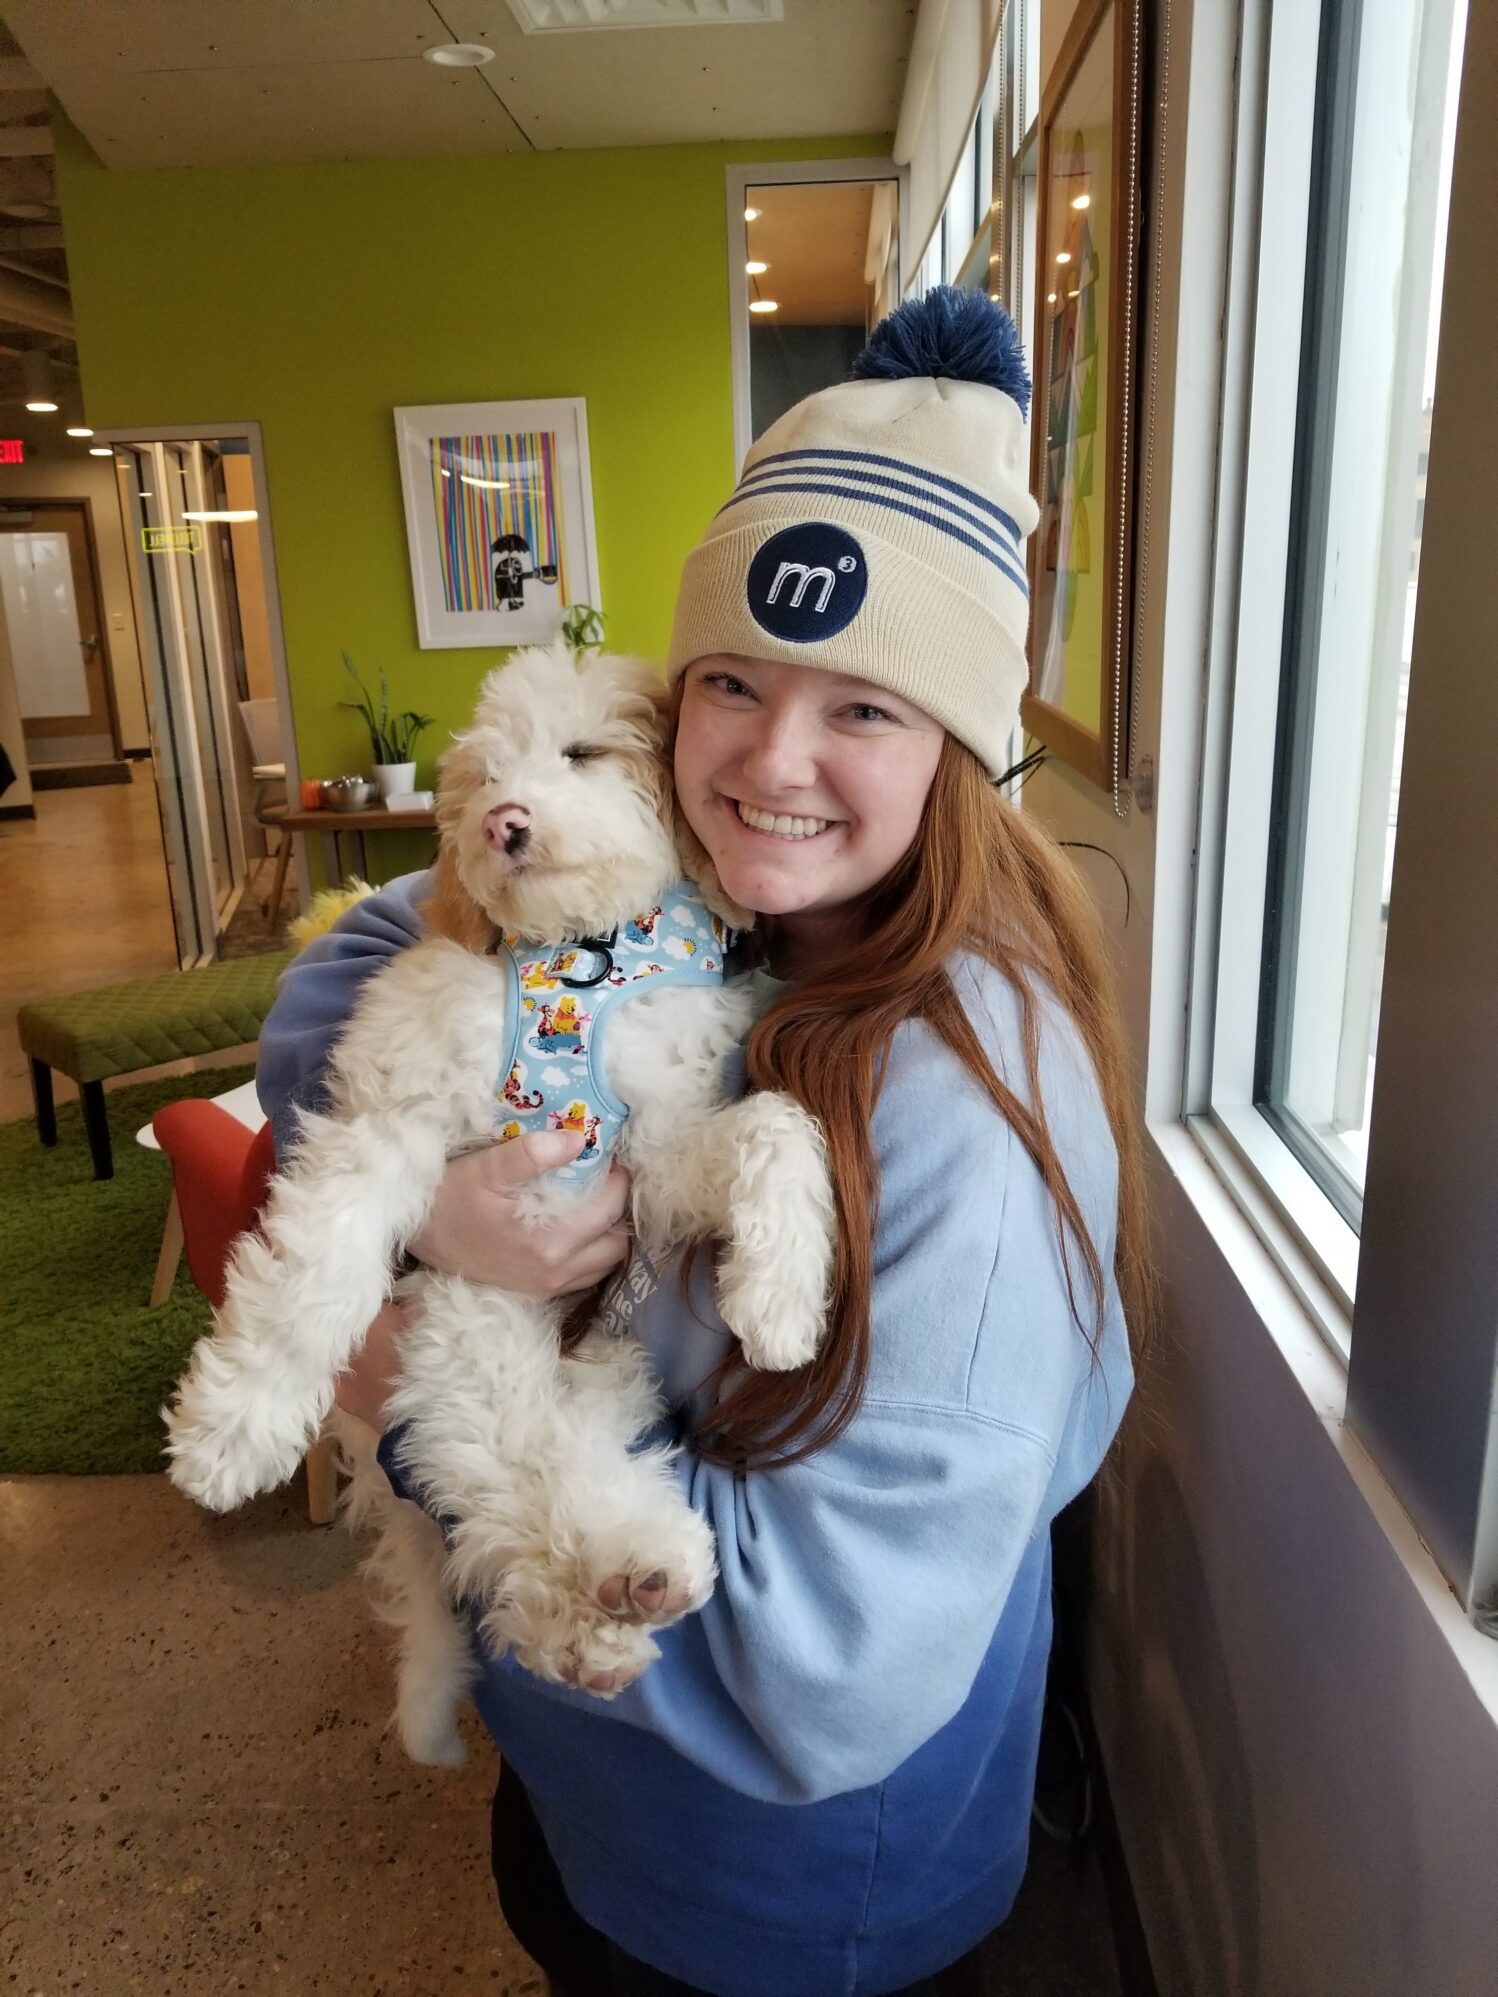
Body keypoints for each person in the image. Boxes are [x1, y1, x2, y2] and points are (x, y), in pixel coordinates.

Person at [255, 286, 1149, 1997]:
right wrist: (440, 1210)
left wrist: (400, 1377)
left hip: (784, 1897)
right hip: (597, 1788)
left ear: (961, 743)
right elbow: (375, 944)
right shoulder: (720, 909)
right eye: (731, 681)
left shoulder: (958, 1095)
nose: (772, 760)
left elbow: (825, 1675)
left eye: (863, 709)